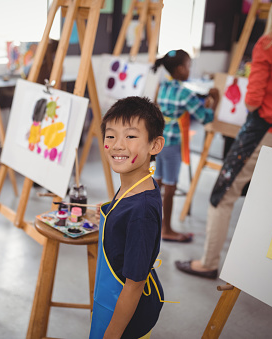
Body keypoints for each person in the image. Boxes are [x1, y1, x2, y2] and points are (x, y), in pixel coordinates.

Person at [175, 0, 272, 279]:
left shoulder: (270, 43)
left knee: (222, 196)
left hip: (263, 133)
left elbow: (252, 102)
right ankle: (264, 272)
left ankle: (209, 262)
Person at [90, 97, 177, 339]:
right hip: (113, 301)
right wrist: (112, 210)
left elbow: (135, 284)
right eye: (110, 136)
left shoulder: (141, 211)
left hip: (127, 320)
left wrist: (112, 335)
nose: (118, 145)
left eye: (130, 136)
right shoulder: (136, 185)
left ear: (155, 145)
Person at [152, 49, 219, 242]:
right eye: (189, 66)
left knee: (158, 181)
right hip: (173, 144)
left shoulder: (163, 86)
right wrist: (215, 101)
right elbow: (205, 117)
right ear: (180, 69)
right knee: (171, 187)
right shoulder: (185, 93)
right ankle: (167, 229)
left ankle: (150, 220)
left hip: (159, 140)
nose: (190, 69)